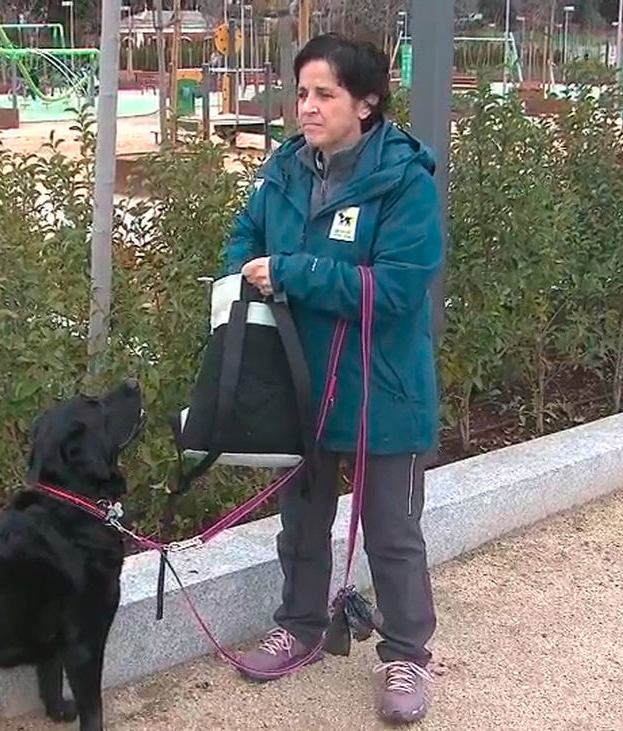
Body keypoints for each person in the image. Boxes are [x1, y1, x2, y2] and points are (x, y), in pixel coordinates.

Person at [218, 33, 444, 725]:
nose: (306, 108)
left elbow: (397, 290)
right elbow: (242, 241)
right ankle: (303, 626)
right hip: (302, 384)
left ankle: (406, 654)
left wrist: (292, 274)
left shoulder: (407, 183)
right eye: (303, 92)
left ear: (367, 102)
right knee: (300, 521)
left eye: (325, 94)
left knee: (393, 532)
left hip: (384, 391)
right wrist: (247, 276)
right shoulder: (283, 171)